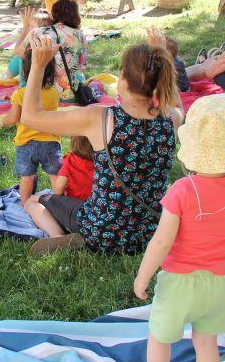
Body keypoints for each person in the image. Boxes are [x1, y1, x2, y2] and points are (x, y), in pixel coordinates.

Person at [130, 94, 225, 362]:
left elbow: (161, 241)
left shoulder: (182, 191)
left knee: (160, 336)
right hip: (220, 281)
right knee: (207, 341)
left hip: (179, 281)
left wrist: (142, 277)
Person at [20, 33, 183, 256]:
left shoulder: (102, 119)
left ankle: (60, 237)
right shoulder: (171, 118)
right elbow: (175, 103)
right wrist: (160, 61)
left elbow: (30, 117)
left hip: (102, 231)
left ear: (123, 79)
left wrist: (39, 65)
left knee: (37, 199)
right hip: (151, 232)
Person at [1, 48, 61, 205]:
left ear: (25, 72)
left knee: (27, 177)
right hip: (50, 141)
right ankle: (61, 202)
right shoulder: (54, 93)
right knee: (55, 174)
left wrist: (3, 121)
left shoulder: (20, 93)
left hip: (25, 142)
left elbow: (14, 118)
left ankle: (25, 204)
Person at [14, 0, 88, 96]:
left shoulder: (38, 32)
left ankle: (23, 87)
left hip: (47, 93)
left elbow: (17, 52)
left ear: (53, 14)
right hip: (73, 93)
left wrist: (25, 28)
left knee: (24, 56)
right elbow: (82, 65)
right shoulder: (81, 36)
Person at [23, 135, 94, 230]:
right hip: (97, 208)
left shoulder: (70, 160)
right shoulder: (104, 161)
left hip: (74, 208)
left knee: (31, 201)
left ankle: (57, 234)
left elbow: (58, 190)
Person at [5, 7, 53, 88]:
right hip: (48, 88)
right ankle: (6, 78)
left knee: (20, 56)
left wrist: (25, 28)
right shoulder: (50, 39)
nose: (30, 29)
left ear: (40, 28)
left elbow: (16, 51)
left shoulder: (34, 36)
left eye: (31, 26)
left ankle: (7, 78)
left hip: (30, 89)